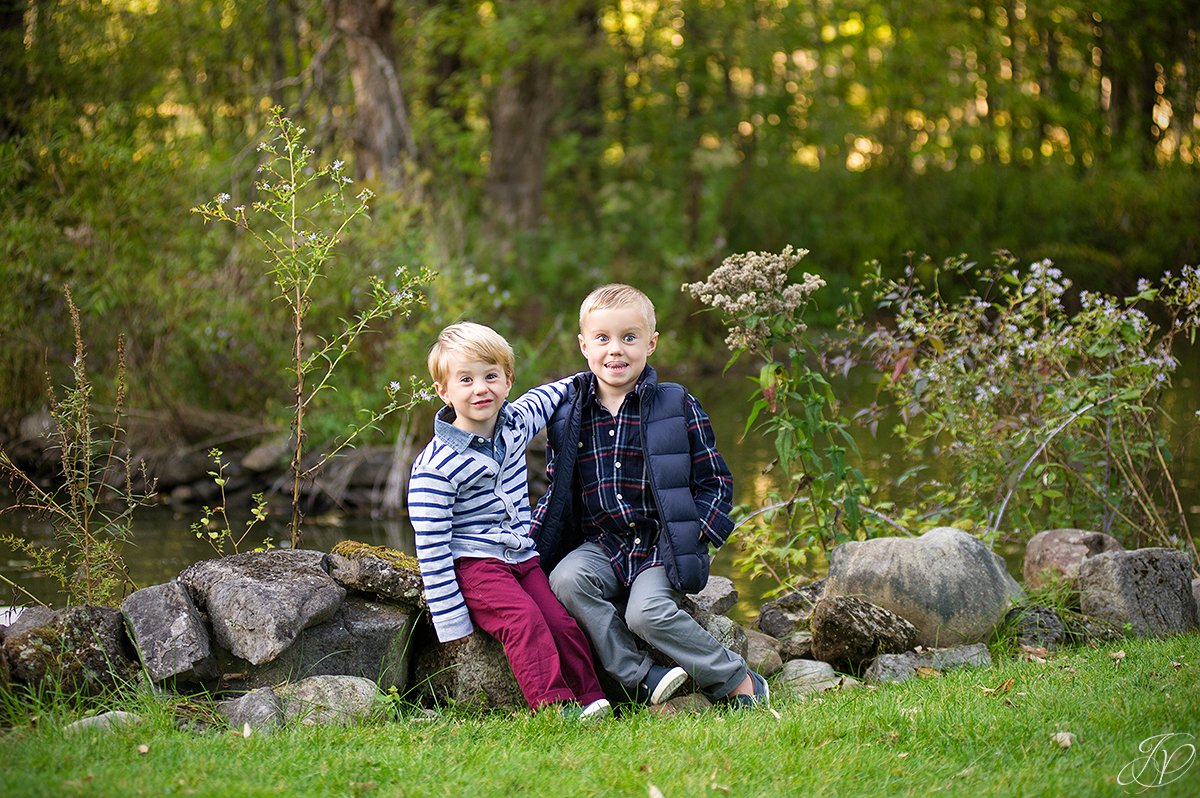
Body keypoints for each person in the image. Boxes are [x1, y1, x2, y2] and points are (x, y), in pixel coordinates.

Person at [532, 284, 769, 708]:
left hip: (662, 544)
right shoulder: (569, 413)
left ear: (651, 343)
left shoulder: (676, 404)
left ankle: (736, 679)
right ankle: (640, 677)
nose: (615, 351)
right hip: (602, 544)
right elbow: (557, 487)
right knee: (566, 580)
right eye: (602, 339)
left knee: (645, 613)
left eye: (629, 337)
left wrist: (698, 535)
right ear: (584, 345)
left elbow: (715, 481)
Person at [408, 322, 610, 719]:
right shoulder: (435, 467)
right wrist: (451, 622)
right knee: (525, 621)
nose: (480, 388)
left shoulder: (515, 423)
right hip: (476, 566)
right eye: (465, 380)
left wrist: (590, 377)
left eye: (490, 376)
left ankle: (591, 698)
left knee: (560, 621)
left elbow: (547, 397)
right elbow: (431, 546)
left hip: (521, 556)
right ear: (443, 391)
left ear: (507, 380)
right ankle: (553, 706)